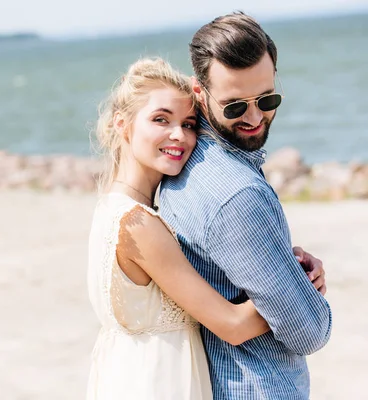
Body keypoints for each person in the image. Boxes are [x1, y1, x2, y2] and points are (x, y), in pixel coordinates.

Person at [86, 57, 325, 399]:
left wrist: (281, 262)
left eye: (189, 123)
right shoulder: (140, 225)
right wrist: (294, 285)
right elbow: (233, 325)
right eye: (160, 119)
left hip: (131, 374)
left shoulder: (112, 207)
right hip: (158, 383)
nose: (178, 135)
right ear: (123, 125)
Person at [159, 12, 332, 399]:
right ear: (198, 93)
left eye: (267, 99)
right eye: (235, 106)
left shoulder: (180, 163)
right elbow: (309, 331)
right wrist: (303, 293)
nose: (255, 117)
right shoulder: (235, 193)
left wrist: (285, 270)